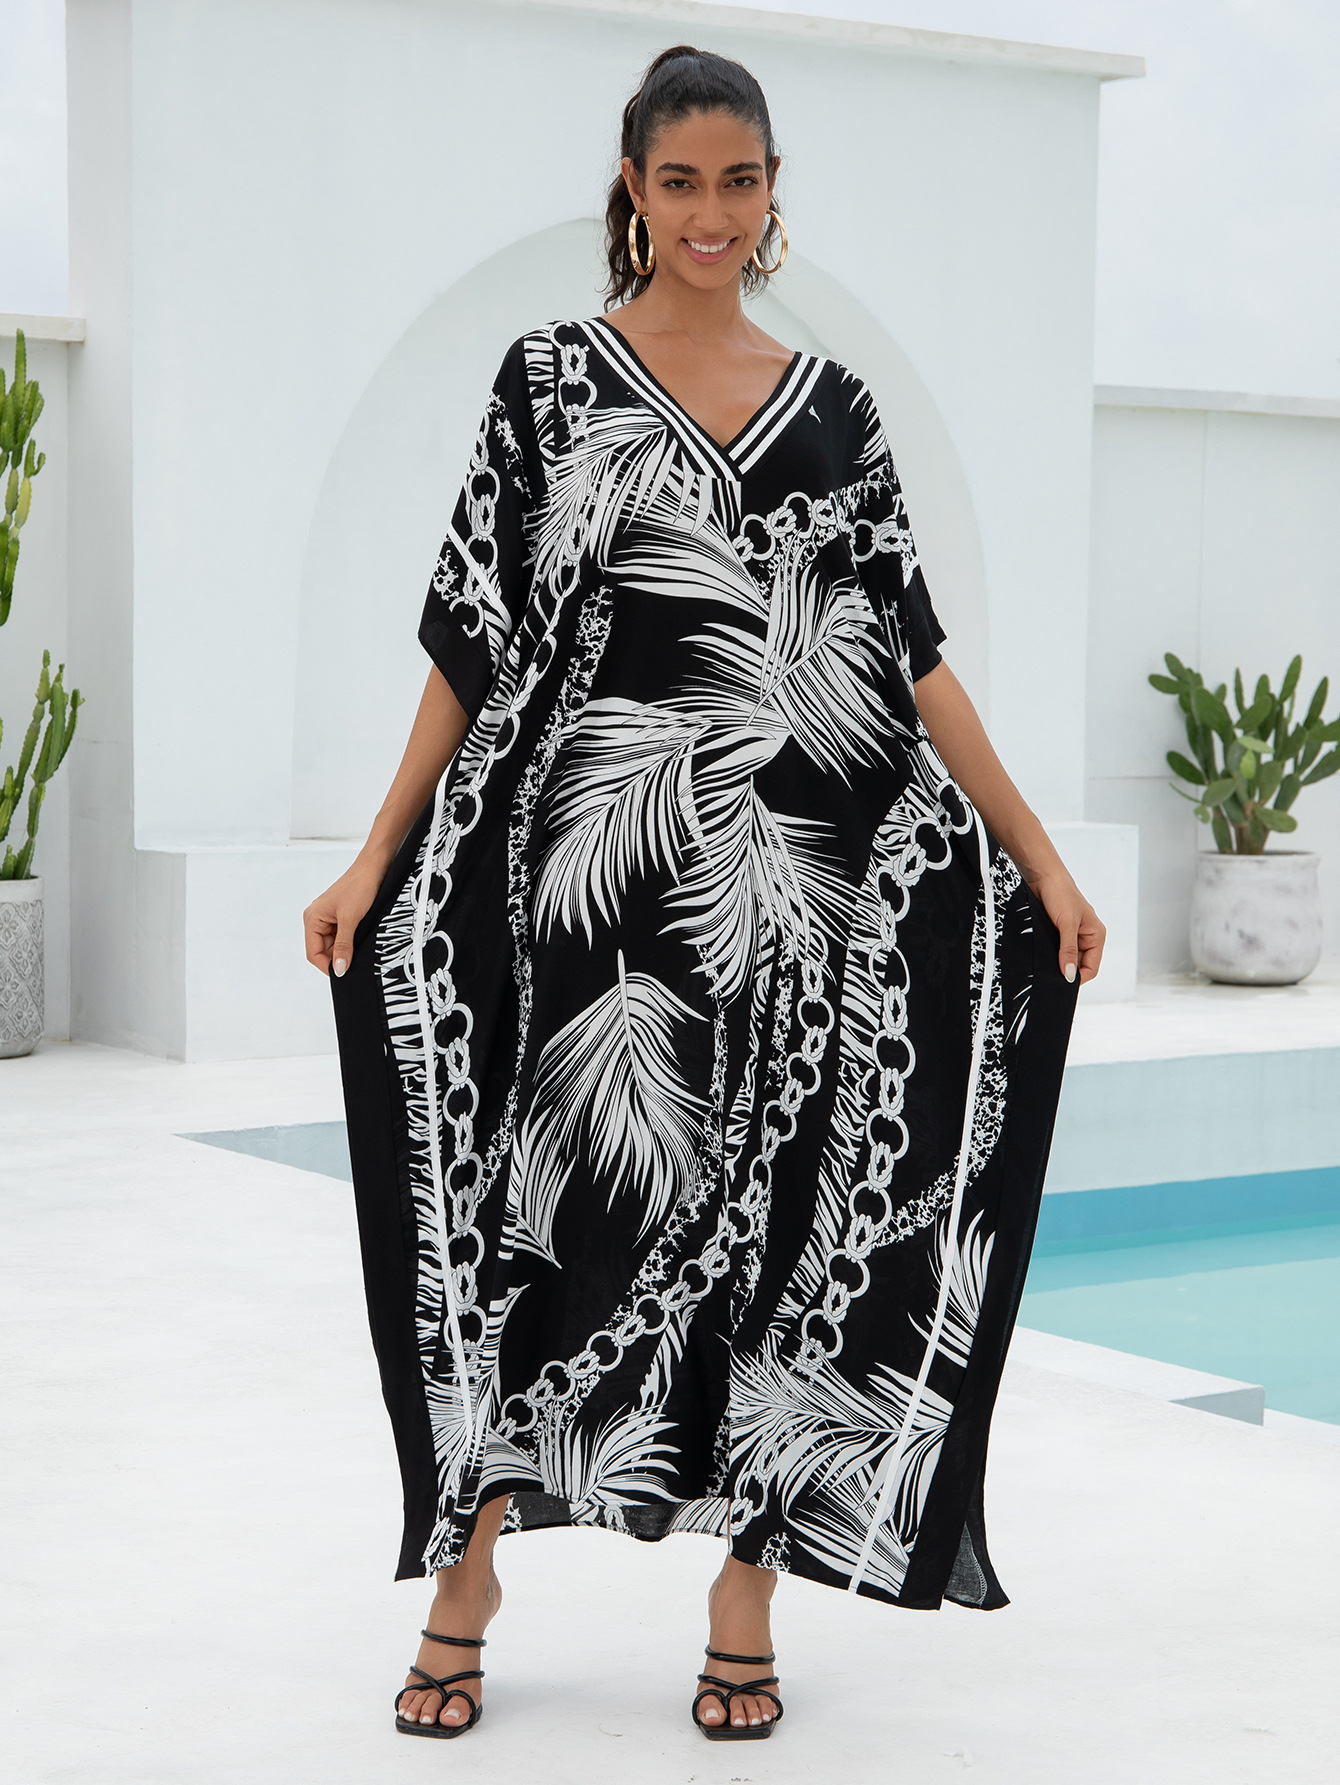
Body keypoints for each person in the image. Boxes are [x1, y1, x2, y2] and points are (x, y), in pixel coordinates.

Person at [303, 43, 1104, 1745]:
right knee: (545, 1222)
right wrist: (378, 847)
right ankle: (469, 1572)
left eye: (740, 181)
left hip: (791, 905)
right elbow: (471, 631)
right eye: (681, 182)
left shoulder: (835, 407)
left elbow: (911, 654)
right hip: (587, 897)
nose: (712, 213)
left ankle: (746, 1588)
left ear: (772, 190)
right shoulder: (549, 381)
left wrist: (1038, 853)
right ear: (633, 188)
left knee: (788, 1228)